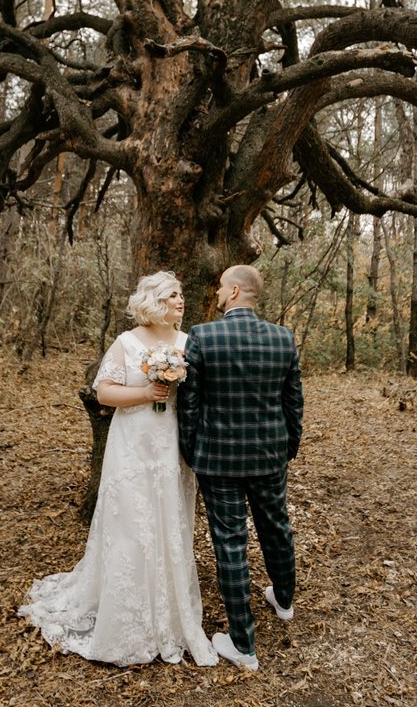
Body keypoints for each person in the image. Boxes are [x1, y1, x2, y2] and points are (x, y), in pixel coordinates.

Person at [18, 271, 217, 667]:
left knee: (169, 518)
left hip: (173, 442)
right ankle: (125, 610)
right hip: (133, 441)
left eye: (180, 295)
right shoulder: (126, 343)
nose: (182, 301)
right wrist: (145, 392)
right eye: (174, 295)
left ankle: (170, 610)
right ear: (157, 302)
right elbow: (103, 392)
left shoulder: (188, 343)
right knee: (130, 520)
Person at [177, 264, 303, 672]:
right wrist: (287, 449)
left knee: (230, 542)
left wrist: (190, 450)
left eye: (219, 287)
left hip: (219, 458)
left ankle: (243, 645)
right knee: (276, 526)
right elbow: (293, 403)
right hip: (268, 455)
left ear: (233, 291)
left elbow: (190, 403)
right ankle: (284, 602)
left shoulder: (203, 336)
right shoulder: (283, 338)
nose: (216, 293)